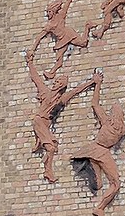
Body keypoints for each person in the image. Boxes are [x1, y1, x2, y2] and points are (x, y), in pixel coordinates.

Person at [26, 49, 98, 183]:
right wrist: (30, 62)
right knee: (51, 148)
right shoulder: (45, 92)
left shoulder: (62, 99)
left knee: (51, 147)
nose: (55, 83)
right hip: (39, 121)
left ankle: (40, 144)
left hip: (45, 125)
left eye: (59, 82)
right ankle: (48, 171)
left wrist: (92, 82)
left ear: (62, 86)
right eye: (56, 81)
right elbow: (36, 78)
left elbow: (76, 91)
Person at [72, 71, 125, 216]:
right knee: (115, 183)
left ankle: (92, 169)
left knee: (103, 184)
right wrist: (98, 84)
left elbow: (95, 104)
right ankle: (100, 207)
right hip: (100, 151)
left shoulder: (112, 124)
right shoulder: (115, 126)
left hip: (96, 151)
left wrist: (98, 84)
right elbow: (95, 105)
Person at [30, 0, 98, 79]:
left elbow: (67, 3)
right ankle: (52, 73)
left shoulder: (61, 16)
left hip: (68, 34)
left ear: (53, 11)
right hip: (61, 40)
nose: (48, 14)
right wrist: (32, 49)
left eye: (49, 12)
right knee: (59, 59)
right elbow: (39, 37)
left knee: (83, 43)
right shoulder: (49, 25)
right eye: (47, 12)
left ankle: (87, 26)